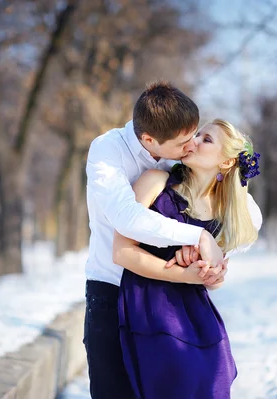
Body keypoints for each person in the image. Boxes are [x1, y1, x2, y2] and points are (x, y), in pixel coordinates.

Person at [84, 81, 229, 399]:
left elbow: (236, 208)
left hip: (165, 294)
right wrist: (198, 236)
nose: (191, 147)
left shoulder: (178, 155)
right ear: (149, 140)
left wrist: (214, 258)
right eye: (183, 143)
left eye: (195, 136)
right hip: (111, 285)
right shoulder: (108, 152)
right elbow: (128, 220)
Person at [113, 119, 263, 399]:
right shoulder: (156, 183)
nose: (193, 141)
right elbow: (121, 251)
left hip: (197, 315)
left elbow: (213, 279)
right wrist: (186, 273)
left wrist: (210, 274)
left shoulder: (222, 211)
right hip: (151, 308)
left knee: (214, 381)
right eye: (197, 134)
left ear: (227, 162)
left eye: (206, 139)